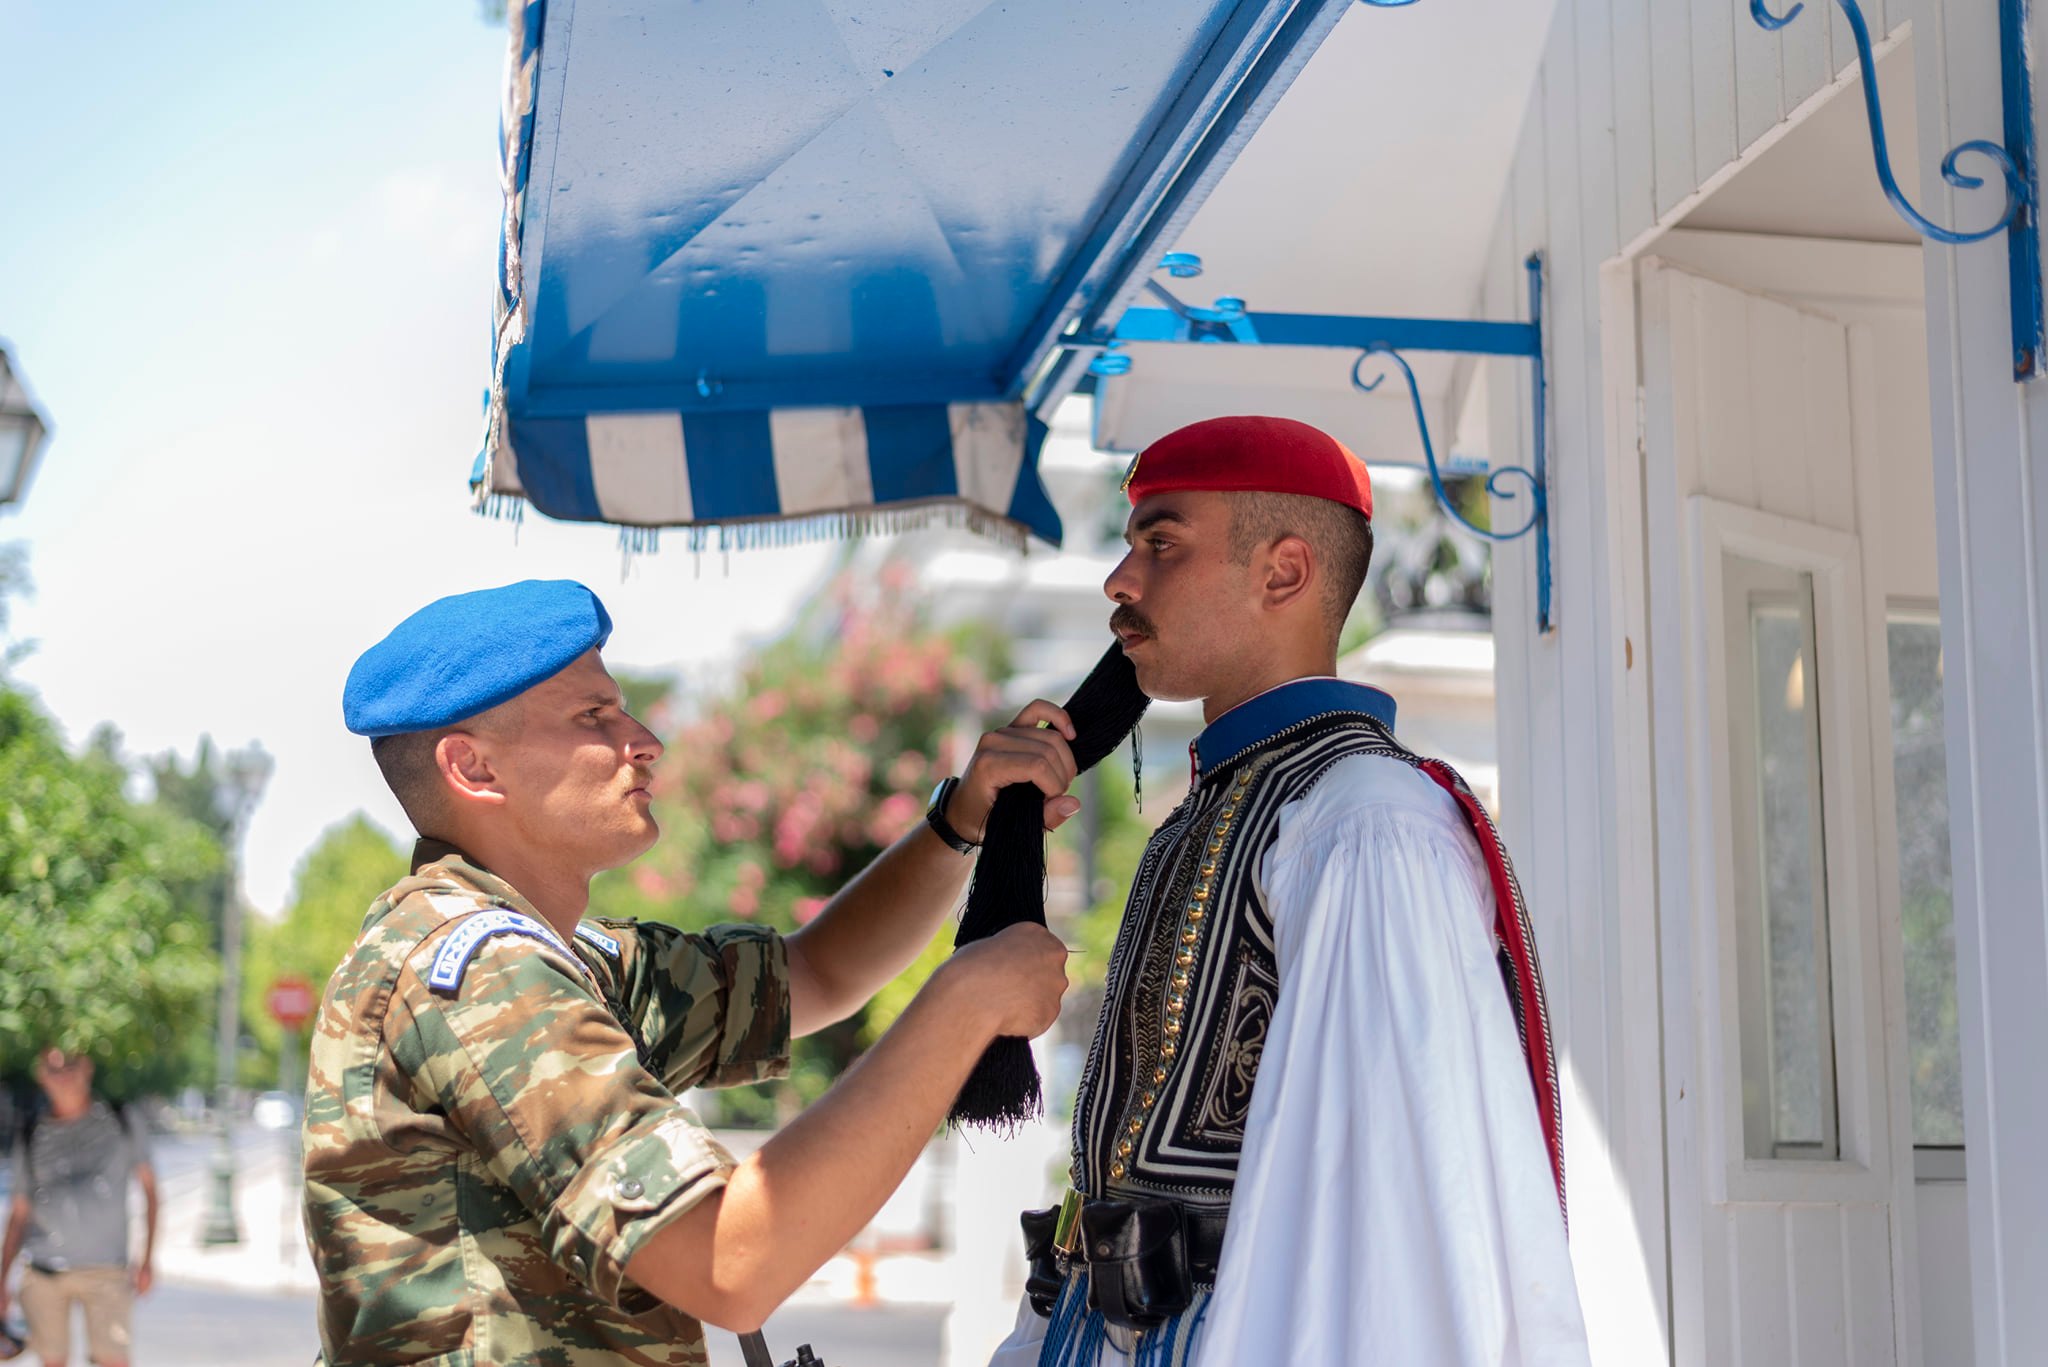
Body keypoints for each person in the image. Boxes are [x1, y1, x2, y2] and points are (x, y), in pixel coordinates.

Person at [303, 579, 1078, 1366]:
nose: (642, 739)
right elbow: (730, 1264)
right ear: (474, 767)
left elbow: (812, 972)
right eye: (592, 717)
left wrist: (959, 823)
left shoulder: (560, 955)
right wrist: (964, 1004)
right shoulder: (486, 972)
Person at [991, 416, 1590, 1366]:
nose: (1120, 580)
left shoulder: (1367, 819)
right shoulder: (1220, 807)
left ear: (1282, 572)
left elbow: (1403, 1214)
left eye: (1162, 543)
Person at [0, 1050, 158, 1367]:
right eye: (53, 1069)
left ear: (87, 1068)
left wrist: (147, 1258)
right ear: (41, 1075)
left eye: (71, 1066)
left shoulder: (120, 1119)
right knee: (52, 1361)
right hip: (44, 1271)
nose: (64, 1076)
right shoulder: (31, 1131)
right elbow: (20, 1212)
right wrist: (2, 1278)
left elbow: (151, 1190)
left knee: (114, 1359)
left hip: (107, 1271)